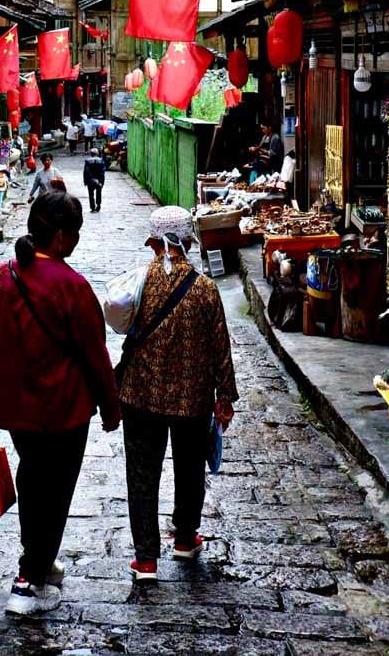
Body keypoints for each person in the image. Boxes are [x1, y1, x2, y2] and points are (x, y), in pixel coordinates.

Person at [0, 191, 121, 615]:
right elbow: (96, 356)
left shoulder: (1, 279)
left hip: (17, 411)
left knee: (34, 482)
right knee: (54, 492)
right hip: (65, 410)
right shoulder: (73, 287)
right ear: (57, 238)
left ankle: (39, 560)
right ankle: (27, 579)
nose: (75, 243)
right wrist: (111, 408)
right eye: (73, 235)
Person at [117, 206, 239, 582]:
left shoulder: (137, 282)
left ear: (153, 242)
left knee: (142, 474)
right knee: (189, 470)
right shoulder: (204, 288)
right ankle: (185, 538)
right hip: (192, 399)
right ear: (187, 241)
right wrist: (225, 398)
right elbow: (221, 346)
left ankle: (147, 559)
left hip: (141, 397)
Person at [83, 148, 106, 213]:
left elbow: (86, 171)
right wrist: (102, 181)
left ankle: (92, 207)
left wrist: (85, 181)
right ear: (97, 153)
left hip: (90, 180)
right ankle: (98, 204)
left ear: (91, 154)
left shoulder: (87, 160)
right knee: (98, 193)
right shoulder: (101, 160)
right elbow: (103, 171)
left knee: (91, 194)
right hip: (99, 179)